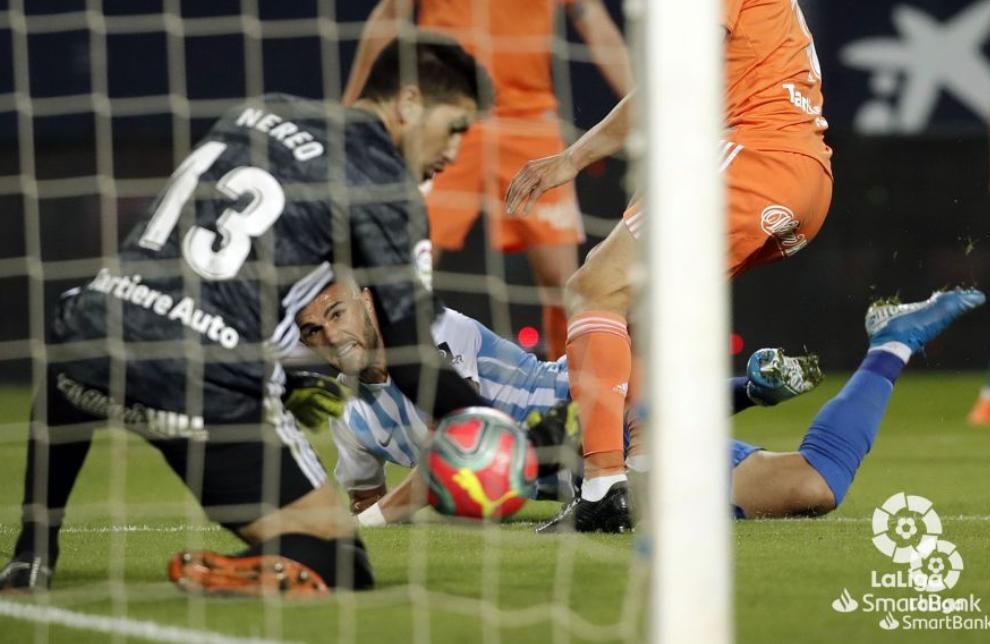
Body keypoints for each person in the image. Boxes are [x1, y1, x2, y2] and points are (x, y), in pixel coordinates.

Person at [0, 33, 495, 597]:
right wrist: (498, 421)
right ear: (408, 102)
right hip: (200, 381)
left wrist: (283, 380)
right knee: (342, 562)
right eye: (456, 126)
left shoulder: (260, 111)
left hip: (92, 337)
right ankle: (255, 565)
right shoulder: (381, 180)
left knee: (82, 328)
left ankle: (33, 553)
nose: (455, 151)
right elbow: (408, 358)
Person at [505, 0, 834, 532]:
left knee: (594, 288)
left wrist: (572, 158)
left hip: (753, 156)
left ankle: (603, 485)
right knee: (642, 314)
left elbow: (676, 84)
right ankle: (645, 478)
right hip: (801, 176)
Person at [343, 0, 633, 360]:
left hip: (529, 120)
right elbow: (390, 15)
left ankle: (574, 397)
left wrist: (645, 108)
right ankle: (388, 391)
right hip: (445, 114)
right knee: (404, 269)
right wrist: (350, 114)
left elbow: (596, 24)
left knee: (565, 285)